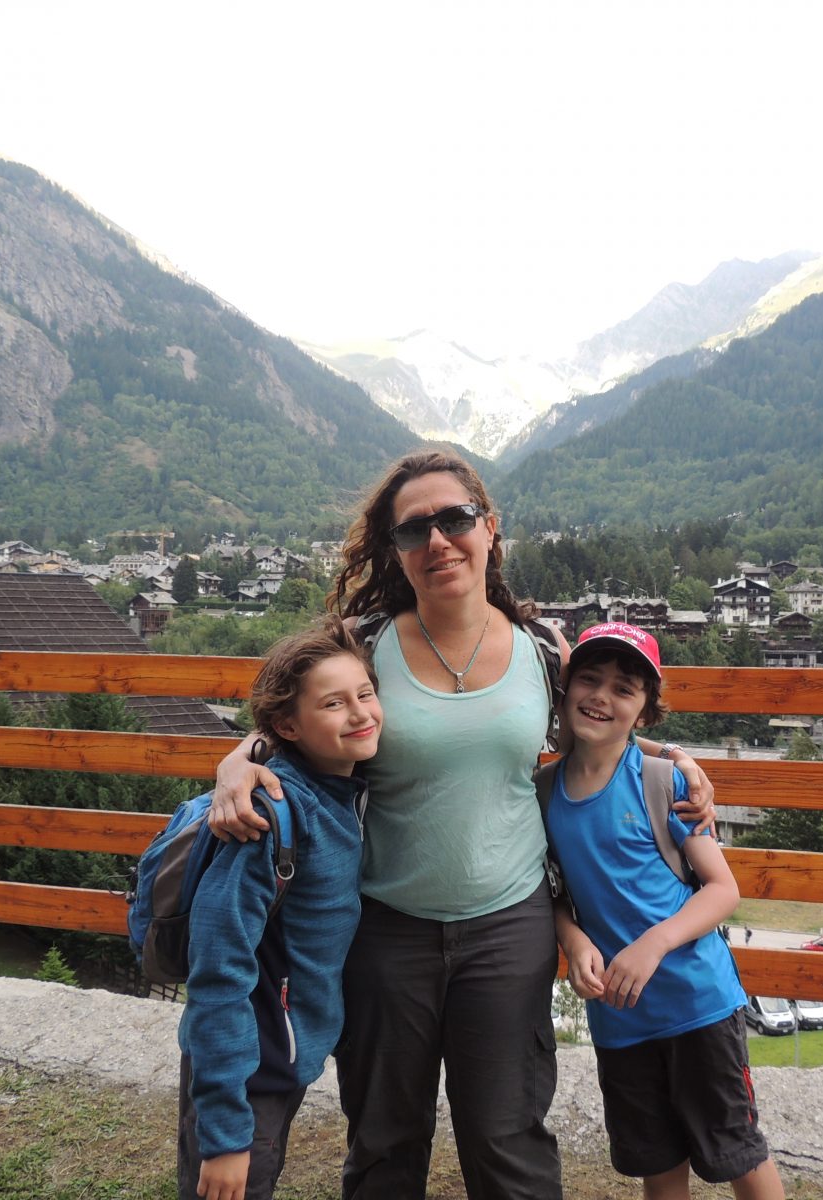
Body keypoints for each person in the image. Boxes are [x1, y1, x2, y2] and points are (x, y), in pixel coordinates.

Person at [207, 448, 715, 1200]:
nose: (438, 540)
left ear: (490, 529)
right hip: (384, 926)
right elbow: (298, 717)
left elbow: (603, 724)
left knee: (506, 1137)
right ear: (395, 550)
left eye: (455, 519)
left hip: (507, 928)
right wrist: (237, 762)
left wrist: (672, 757)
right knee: (384, 1137)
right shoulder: (363, 642)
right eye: (415, 529)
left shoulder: (543, 650)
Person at [546, 622, 784, 1200]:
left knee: (738, 1154)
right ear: (565, 687)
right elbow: (549, 890)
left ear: (646, 711)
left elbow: (722, 889)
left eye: (623, 689)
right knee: (658, 1163)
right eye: (589, 679)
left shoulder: (663, 780)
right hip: (621, 1021)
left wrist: (653, 943)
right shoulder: (542, 791)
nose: (601, 697)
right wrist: (573, 941)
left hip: (697, 1005)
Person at [179, 617, 382, 1200]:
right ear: (288, 726)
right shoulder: (267, 817)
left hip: (279, 1055)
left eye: (365, 694)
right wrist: (222, 1136)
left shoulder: (341, 788)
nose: (361, 714)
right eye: (334, 704)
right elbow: (218, 969)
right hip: (246, 1069)